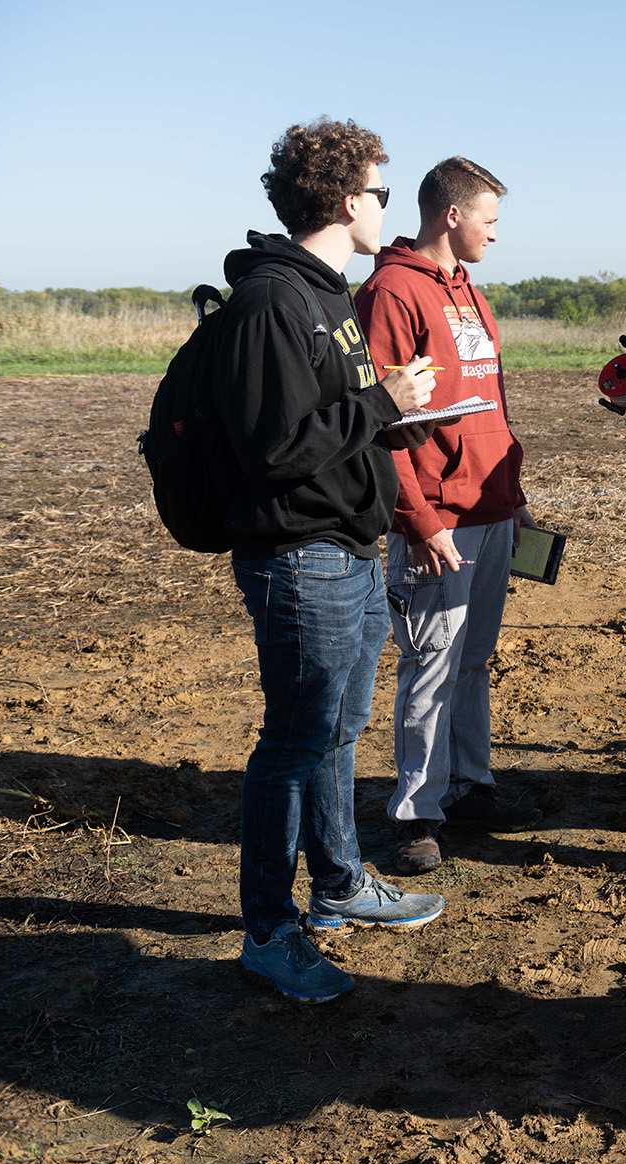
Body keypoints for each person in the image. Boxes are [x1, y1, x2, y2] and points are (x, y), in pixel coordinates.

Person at [213, 120, 450, 1004]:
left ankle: (341, 883)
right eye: (381, 194)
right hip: (300, 557)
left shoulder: (324, 294)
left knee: (337, 733)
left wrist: (393, 415)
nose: (386, 210)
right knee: (293, 742)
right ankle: (269, 932)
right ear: (350, 202)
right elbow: (273, 446)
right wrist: (382, 400)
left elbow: (333, 420)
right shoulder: (274, 301)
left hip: (347, 548)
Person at [354, 157, 543, 874]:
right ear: (452, 216)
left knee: (473, 661)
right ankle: (415, 813)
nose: (496, 236)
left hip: (491, 512)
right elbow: (380, 423)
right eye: (490, 221)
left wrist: (513, 493)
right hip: (437, 521)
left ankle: (468, 786)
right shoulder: (393, 293)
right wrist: (417, 519)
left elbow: (489, 401)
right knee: (430, 662)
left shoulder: (468, 291)